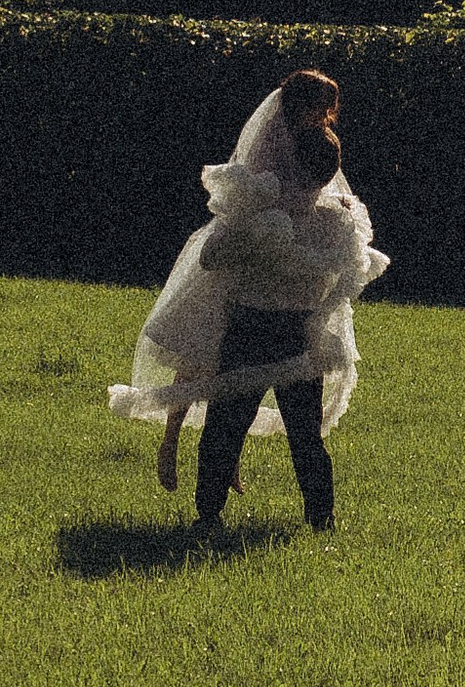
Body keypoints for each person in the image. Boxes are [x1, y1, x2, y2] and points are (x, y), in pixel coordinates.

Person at [107, 69, 387, 529]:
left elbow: (214, 257)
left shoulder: (261, 219)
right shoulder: (336, 224)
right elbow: (349, 274)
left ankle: (209, 515)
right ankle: (321, 517)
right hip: (300, 334)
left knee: (226, 423)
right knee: (305, 433)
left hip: (252, 323)